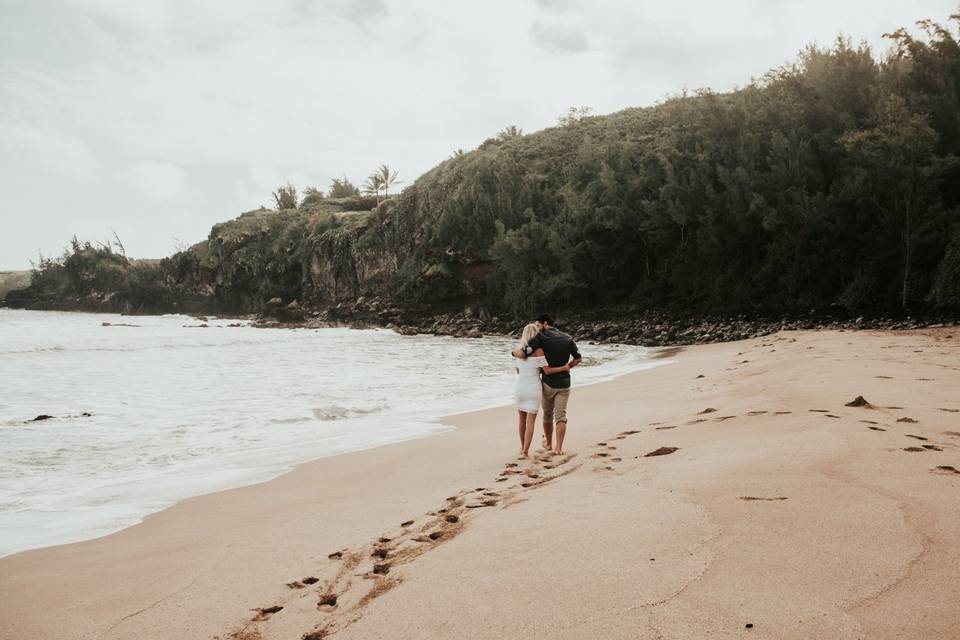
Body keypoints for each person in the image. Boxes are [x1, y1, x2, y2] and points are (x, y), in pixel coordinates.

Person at [514, 314, 581, 454]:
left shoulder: (540, 338)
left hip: (543, 384)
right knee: (561, 415)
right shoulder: (567, 338)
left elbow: (525, 352)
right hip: (563, 382)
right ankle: (558, 448)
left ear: (545, 323)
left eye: (538, 325)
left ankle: (547, 445)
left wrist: (513, 353)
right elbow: (578, 358)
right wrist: (567, 366)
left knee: (547, 415)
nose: (537, 329)